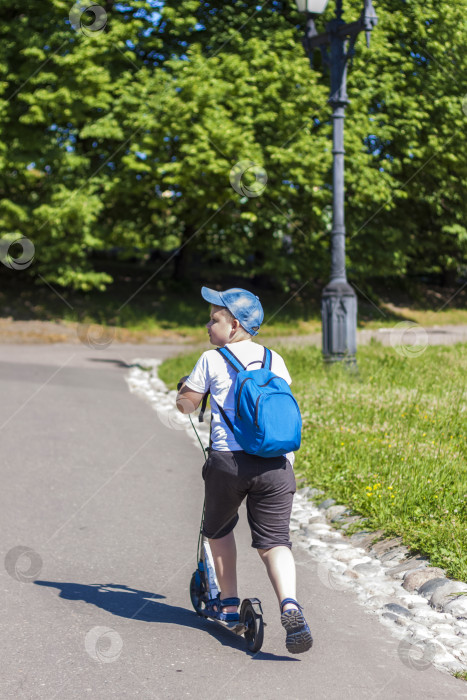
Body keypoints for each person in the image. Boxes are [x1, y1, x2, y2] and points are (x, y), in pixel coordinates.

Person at [176, 286, 312, 654]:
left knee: (218, 530)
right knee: (274, 542)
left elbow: (187, 405)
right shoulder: (274, 359)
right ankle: (290, 604)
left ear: (233, 325)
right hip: (277, 465)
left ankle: (229, 603)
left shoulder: (212, 359)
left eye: (214, 319)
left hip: (230, 465)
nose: (208, 325)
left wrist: (183, 394)